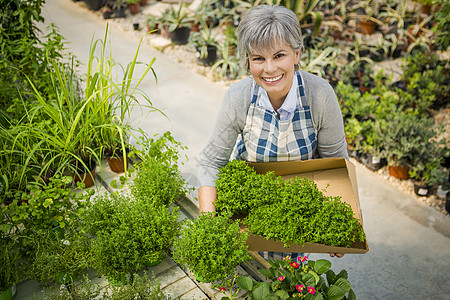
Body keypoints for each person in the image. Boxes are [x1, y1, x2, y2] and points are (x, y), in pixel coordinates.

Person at [197, 5, 347, 259]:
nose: (269, 69)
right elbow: (211, 162)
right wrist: (209, 224)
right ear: (248, 61)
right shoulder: (239, 97)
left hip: (297, 218)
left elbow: (335, 163)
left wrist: (340, 222)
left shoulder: (320, 96)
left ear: (296, 54)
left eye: (279, 55)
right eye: (258, 58)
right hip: (246, 217)